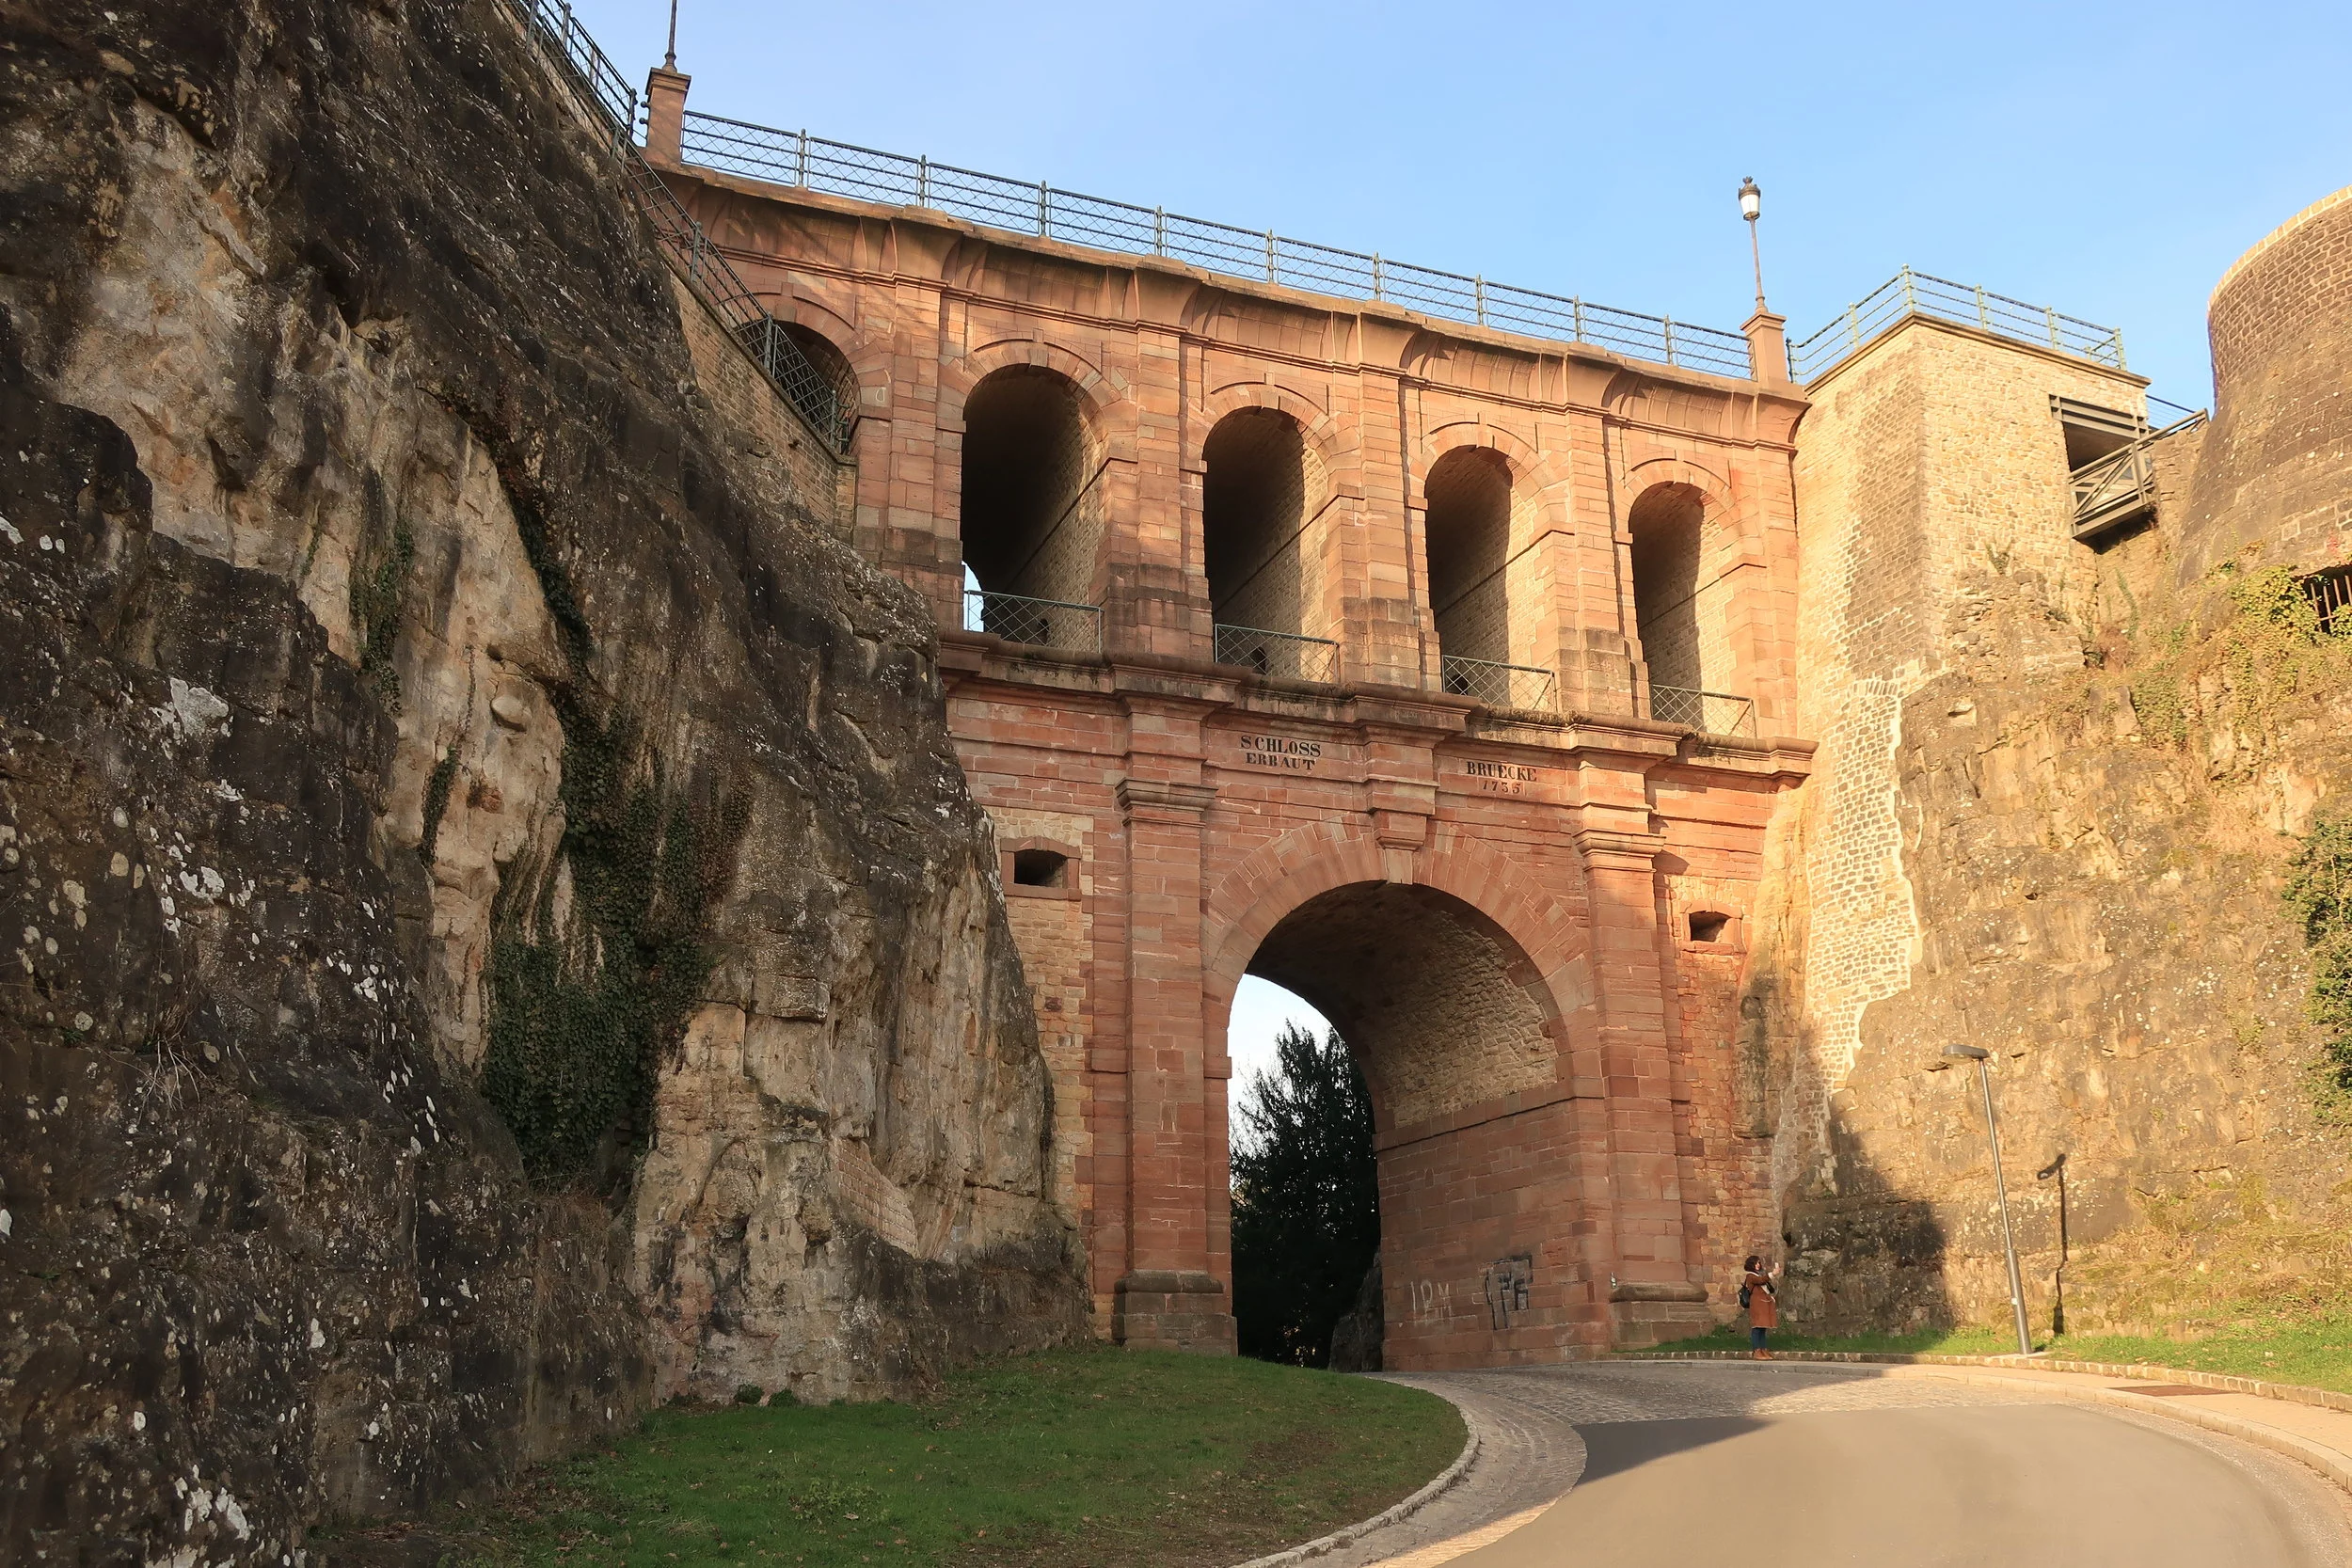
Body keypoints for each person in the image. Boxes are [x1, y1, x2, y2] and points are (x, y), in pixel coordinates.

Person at [1740, 1254, 1780, 1359]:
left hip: (1763, 1303)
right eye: (1756, 1263)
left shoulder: (1758, 1275)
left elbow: (1764, 1283)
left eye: (1758, 1263)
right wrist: (1772, 1274)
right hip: (1757, 1303)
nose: (1758, 1265)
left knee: (1763, 1327)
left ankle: (1763, 1349)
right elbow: (1761, 1281)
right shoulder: (1750, 1276)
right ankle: (1756, 1350)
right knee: (1757, 1327)